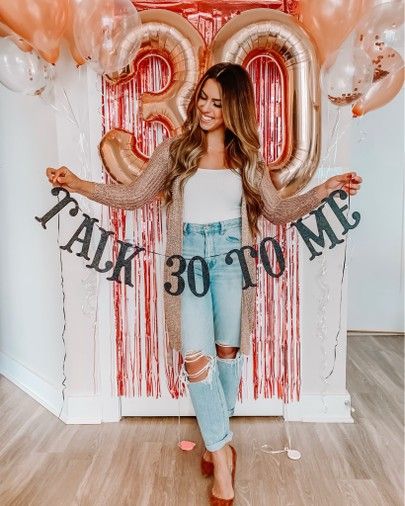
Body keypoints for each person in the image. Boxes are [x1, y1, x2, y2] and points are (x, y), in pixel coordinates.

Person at [46, 62, 362, 505]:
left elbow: (276, 212)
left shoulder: (247, 158)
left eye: (218, 101)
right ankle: (223, 459)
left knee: (227, 353)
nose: (207, 108)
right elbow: (134, 196)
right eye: (203, 98)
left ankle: (218, 443)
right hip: (187, 258)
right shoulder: (176, 150)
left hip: (234, 257)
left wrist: (326, 187)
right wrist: (77, 184)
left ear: (234, 107)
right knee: (195, 356)